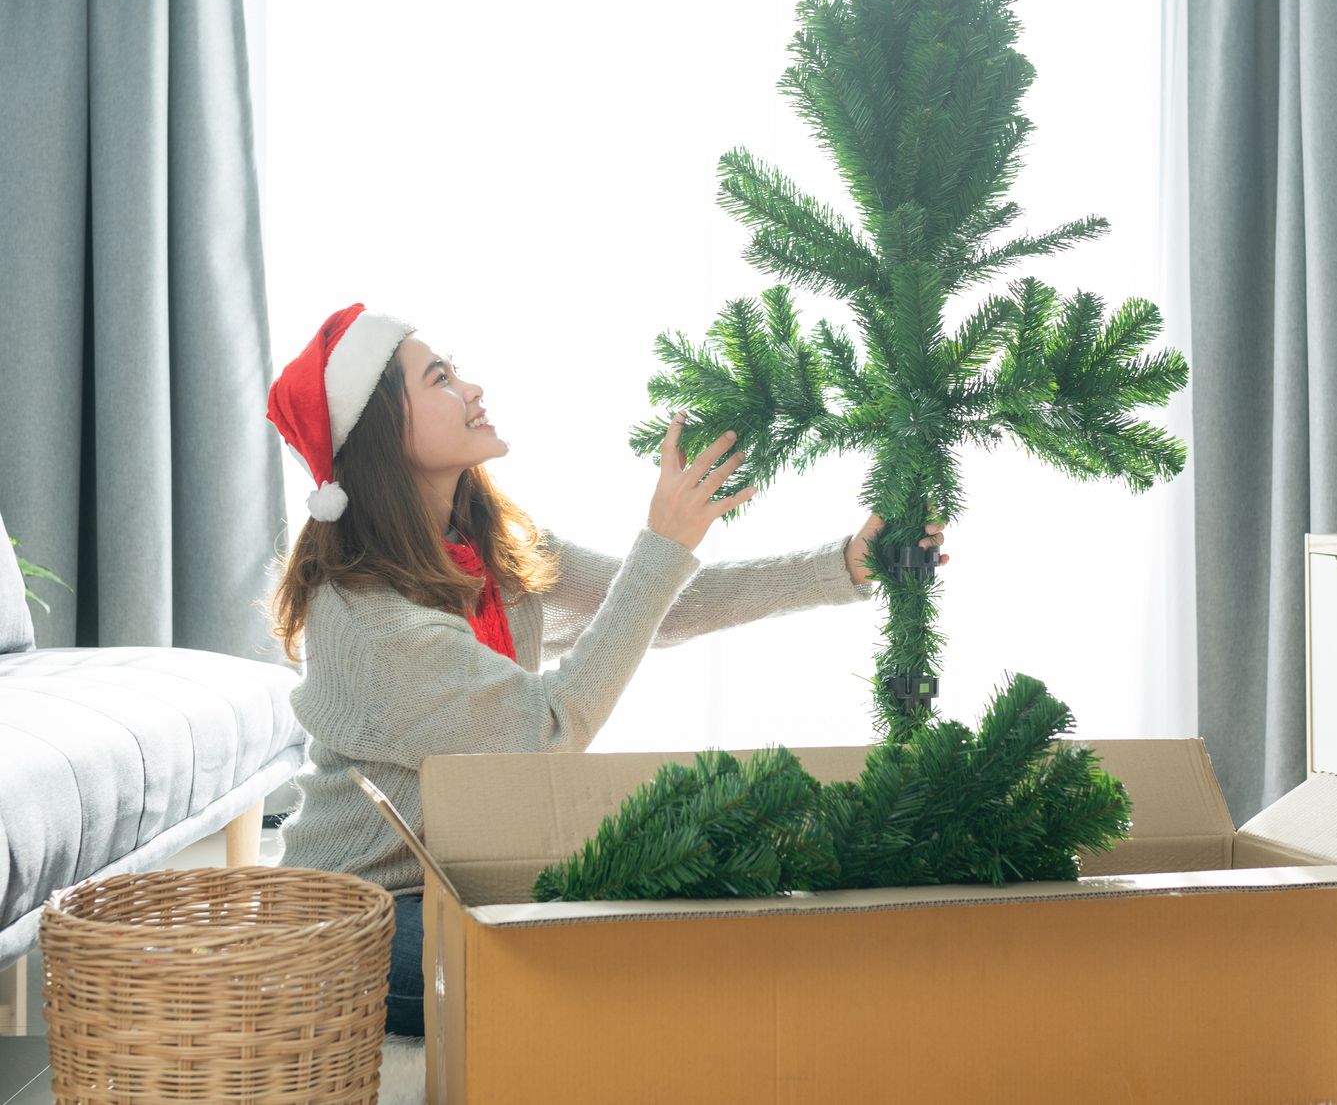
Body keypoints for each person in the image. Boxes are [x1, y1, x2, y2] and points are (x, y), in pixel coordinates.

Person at [263, 302, 949, 1037]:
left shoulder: (482, 541)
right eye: (440, 378)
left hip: (465, 866)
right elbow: (547, 728)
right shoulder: (373, 621)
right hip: (360, 917)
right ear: (381, 435)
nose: (472, 388)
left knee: (662, 914)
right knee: (598, 966)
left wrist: (838, 565)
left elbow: (659, 607)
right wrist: (663, 543)